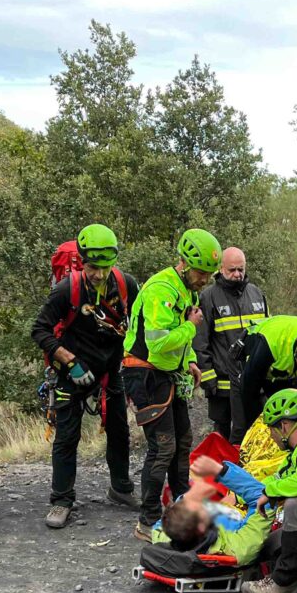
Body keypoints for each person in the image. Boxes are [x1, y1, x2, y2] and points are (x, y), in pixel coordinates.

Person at [193, 389, 297, 593]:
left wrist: (270, 492)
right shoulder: (294, 456)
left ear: (285, 426)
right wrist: (232, 486)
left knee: (296, 505)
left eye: (271, 430)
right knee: (268, 545)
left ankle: (285, 583)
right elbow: (267, 486)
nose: (270, 437)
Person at [32, 224, 140, 528]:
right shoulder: (67, 289)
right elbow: (39, 329)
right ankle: (61, 500)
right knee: (67, 435)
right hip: (72, 369)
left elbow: (140, 323)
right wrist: (68, 361)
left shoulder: (125, 285)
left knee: (119, 430)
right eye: (93, 267)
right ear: (82, 262)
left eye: (105, 267)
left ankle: (120, 488)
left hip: (111, 370)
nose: (99, 273)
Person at [123, 229, 221, 542]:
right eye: (201, 273)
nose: (205, 279)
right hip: (145, 373)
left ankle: (183, 506)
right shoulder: (161, 289)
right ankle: (147, 519)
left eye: (209, 274)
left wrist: (190, 360)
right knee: (163, 446)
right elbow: (160, 342)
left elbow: (179, 343)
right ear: (184, 263)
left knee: (183, 441)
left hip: (169, 374)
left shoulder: (187, 290)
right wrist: (190, 329)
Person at [194, 246, 269, 443]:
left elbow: (268, 335)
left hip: (253, 383)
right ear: (221, 269)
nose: (237, 274)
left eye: (241, 269)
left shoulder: (256, 294)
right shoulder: (208, 297)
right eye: (232, 270)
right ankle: (223, 471)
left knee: (254, 434)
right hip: (222, 385)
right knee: (223, 437)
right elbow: (200, 342)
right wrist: (208, 379)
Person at [153, 455, 273, 567]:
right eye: (201, 507)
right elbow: (264, 498)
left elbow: (162, 523)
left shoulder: (167, 536)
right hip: (239, 516)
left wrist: (189, 497)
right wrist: (221, 470)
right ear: (201, 527)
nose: (205, 505)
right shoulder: (238, 547)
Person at [236, 314, 297, 436]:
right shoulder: (269, 348)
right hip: (254, 352)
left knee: (290, 412)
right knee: (243, 422)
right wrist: (256, 432)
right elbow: (248, 392)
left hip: (282, 365)